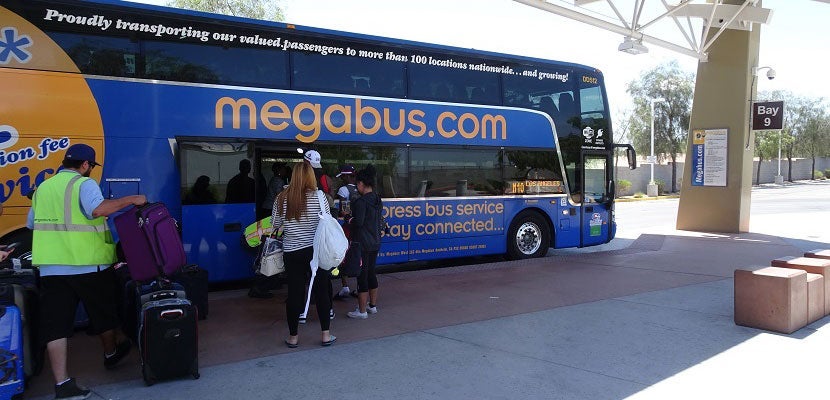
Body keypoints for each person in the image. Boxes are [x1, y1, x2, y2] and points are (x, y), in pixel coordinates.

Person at [27, 143, 146, 399]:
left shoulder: (43, 188)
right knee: (104, 314)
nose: (90, 169)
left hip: (52, 268)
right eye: (90, 166)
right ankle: (111, 353)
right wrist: (132, 200)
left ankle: (62, 385)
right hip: (88, 265)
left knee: (56, 326)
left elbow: (30, 223)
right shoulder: (83, 184)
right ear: (84, 165)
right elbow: (98, 209)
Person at [272, 162, 336, 347]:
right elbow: (327, 220)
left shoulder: (282, 197)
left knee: (294, 294)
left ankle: (293, 338)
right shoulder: (319, 196)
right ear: (310, 176)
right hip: (316, 252)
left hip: (292, 252)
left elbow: (275, 224)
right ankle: (325, 335)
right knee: (321, 290)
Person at [345, 164, 383, 319]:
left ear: (361, 183)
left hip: (362, 243)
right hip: (375, 241)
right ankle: (372, 306)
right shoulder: (377, 199)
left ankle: (361, 311)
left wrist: (348, 218)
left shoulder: (361, 202)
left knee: (362, 276)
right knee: (371, 273)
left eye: (357, 184)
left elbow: (358, 222)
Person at [333, 165, 358, 300]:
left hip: (348, 228)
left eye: (343, 176)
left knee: (343, 254)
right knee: (359, 256)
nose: (342, 179)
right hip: (359, 227)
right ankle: (360, 288)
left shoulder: (343, 190)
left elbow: (344, 211)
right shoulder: (360, 187)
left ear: (347, 176)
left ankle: (345, 287)